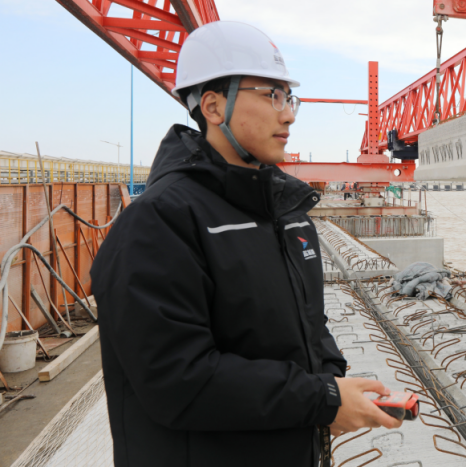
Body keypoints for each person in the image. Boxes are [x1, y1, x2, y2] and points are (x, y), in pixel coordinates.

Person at [91, 21, 401, 467]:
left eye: (289, 98)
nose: (288, 115)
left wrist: (333, 381)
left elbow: (309, 322)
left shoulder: (287, 214)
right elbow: (177, 378)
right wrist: (321, 400)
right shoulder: (159, 222)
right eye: (272, 95)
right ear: (213, 107)